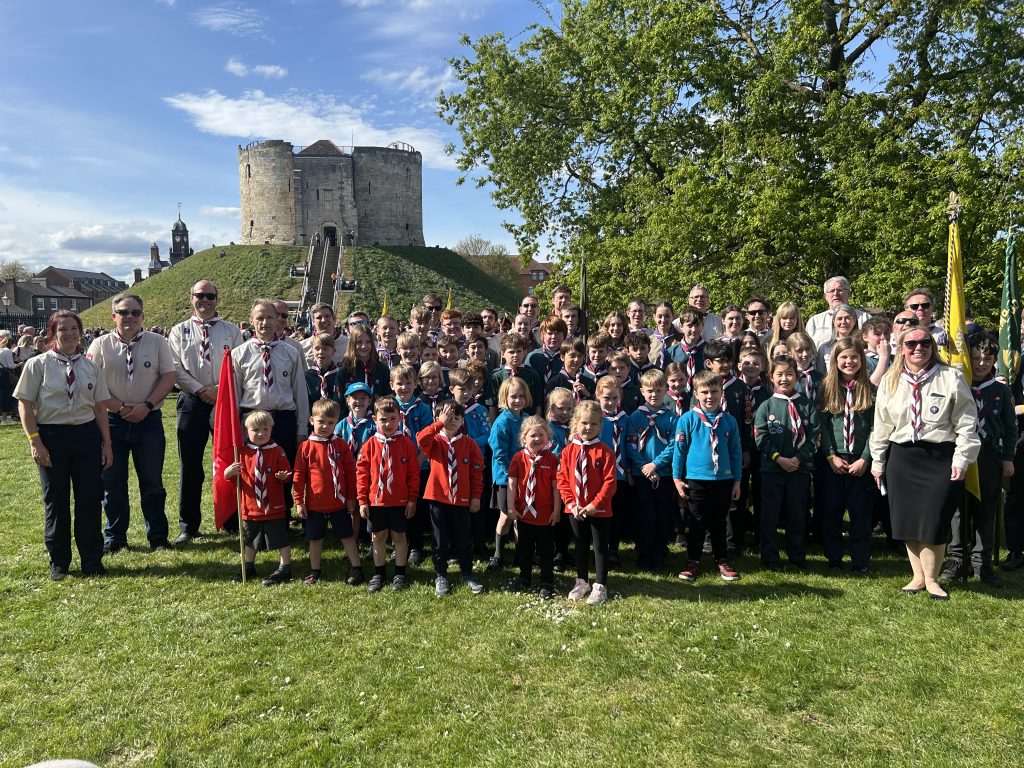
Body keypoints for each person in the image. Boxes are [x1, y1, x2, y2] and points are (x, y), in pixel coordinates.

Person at [869, 327, 979, 600]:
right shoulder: (890, 380)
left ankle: (932, 579)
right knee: (908, 519)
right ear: (901, 348)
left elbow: (967, 422)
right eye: (911, 344)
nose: (918, 348)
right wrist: (878, 461)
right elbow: (882, 425)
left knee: (933, 517)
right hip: (902, 458)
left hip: (940, 457)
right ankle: (917, 577)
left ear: (932, 346)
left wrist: (962, 458)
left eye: (925, 343)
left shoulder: (950, 377)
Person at [15, 310, 113, 580]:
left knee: (90, 500)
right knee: (56, 502)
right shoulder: (38, 364)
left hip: (86, 437)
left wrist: (106, 444)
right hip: (52, 438)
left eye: (74, 328)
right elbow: (24, 404)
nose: (69, 334)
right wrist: (35, 441)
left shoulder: (91, 367)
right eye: (63, 329)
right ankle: (59, 563)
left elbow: (101, 407)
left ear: (80, 332)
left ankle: (92, 561)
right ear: (53, 333)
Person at [87, 293, 176, 553]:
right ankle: (115, 538)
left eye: (135, 312)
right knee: (112, 483)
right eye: (124, 312)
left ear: (143, 316)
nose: (129, 317)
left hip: (148, 421)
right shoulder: (99, 345)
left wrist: (146, 406)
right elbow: (93, 382)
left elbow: (168, 377)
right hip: (111, 422)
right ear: (114, 316)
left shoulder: (158, 342)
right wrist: (121, 407)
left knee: (152, 482)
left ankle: (158, 537)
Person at [168, 280, 243, 544]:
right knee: (190, 465)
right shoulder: (178, 331)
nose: (205, 300)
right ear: (191, 298)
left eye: (210, 295)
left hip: (224, 400)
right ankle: (188, 524)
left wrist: (219, 389)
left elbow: (238, 365)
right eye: (200, 295)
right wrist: (201, 390)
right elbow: (175, 367)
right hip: (191, 400)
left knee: (228, 460)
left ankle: (232, 520)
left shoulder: (232, 331)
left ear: (217, 299)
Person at [941, 332, 1015, 585]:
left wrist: (1007, 458)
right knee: (958, 511)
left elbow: (1009, 426)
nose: (981, 363)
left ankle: (981, 562)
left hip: (988, 457)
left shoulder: (1000, 391)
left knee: (986, 510)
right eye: (975, 358)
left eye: (987, 358)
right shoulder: (957, 385)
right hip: (959, 456)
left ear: (994, 359)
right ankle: (956, 558)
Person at [233, 299, 310, 521]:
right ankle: (255, 518)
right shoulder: (240, 354)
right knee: (253, 470)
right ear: (251, 321)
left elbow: (300, 393)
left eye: (269, 317)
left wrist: (301, 428)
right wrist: (237, 429)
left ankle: (282, 518)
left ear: (278, 319)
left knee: (283, 472)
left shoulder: (291, 352)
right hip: (252, 420)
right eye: (259, 318)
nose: (265, 322)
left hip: (282, 419)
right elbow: (236, 395)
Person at [673, 370, 743, 581]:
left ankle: (721, 559)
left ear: (722, 392)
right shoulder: (687, 419)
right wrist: (677, 479)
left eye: (714, 391)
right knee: (697, 522)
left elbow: (736, 452)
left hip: (723, 480)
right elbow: (680, 450)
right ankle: (693, 560)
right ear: (696, 393)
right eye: (705, 392)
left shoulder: (729, 421)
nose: (710, 396)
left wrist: (737, 480)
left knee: (719, 522)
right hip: (697, 479)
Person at [754, 354, 820, 571]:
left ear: (797, 376)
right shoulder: (767, 406)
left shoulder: (807, 405)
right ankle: (770, 556)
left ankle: (797, 554)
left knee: (797, 514)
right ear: (771, 377)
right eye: (779, 374)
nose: (785, 378)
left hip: (799, 470)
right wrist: (779, 459)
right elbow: (761, 436)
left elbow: (814, 436)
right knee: (770, 515)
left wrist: (798, 459)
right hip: (773, 469)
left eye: (789, 374)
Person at [819, 338, 876, 574]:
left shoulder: (870, 389)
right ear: (835, 361)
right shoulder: (826, 387)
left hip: (860, 460)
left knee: (860, 513)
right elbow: (821, 426)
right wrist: (831, 456)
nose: (849, 361)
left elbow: (877, 428)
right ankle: (834, 558)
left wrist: (865, 457)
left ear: (862, 360)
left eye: (854, 357)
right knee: (831, 510)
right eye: (843, 357)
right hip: (834, 459)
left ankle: (860, 560)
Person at [418, 399, 486, 597]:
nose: (452, 421)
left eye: (456, 417)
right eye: (448, 417)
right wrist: (439, 423)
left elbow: (476, 472)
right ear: (438, 418)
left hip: (461, 500)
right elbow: (421, 439)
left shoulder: (469, 444)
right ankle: (441, 575)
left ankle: (467, 573)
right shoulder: (435, 442)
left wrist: (475, 497)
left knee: (464, 538)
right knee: (439, 540)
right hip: (438, 499)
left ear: (462, 420)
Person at [293, 399, 362, 586]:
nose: (325, 426)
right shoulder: (306, 447)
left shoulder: (341, 445)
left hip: (339, 503)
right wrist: (299, 501)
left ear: (336, 422)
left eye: (331, 423)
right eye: (321, 421)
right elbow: (299, 476)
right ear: (311, 420)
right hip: (315, 504)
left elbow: (350, 472)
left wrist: (351, 497)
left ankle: (356, 567)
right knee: (315, 539)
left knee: (347, 535)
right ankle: (314, 569)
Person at [356, 396, 419, 593]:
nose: (388, 424)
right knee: (378, 536)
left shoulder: (407, 444)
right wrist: (362, 501)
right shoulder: (369, 446)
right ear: (375, 419)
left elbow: (413, 474)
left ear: (400, 418)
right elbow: (362, 474)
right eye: (383, 419)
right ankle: (379, 572)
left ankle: (400, 572)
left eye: (392, 419)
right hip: (376, 501)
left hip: (400, 501)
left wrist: (411, 499)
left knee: (399, 536)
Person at [557, 400, 617, 605]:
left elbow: (610, 483)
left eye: (593, 424)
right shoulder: (567, 452)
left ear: (600, 426)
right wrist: (573, 505)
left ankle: (600, 585)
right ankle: (581, 581)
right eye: (584, 423)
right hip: (576, 510)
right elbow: (562, 480)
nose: (588, 428)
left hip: (599, 510)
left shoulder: (606, 452)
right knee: (580, 545)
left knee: (600, 547)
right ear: (575, 423)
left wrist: (594, 505)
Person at [224, 410, 293, 585]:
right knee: (250, 539)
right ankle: (248, 566)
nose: (261, 433)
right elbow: (231, 476)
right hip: (250, 506)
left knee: (280, 538)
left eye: (265, 429)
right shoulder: (241, 452)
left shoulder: (277, 451)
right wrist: (228, 472)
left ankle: (285, 567)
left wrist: (283, 476)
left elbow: (286, 472)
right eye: (255, 430)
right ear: (247, 430)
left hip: (273, 506)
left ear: (271, 429)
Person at [626, 369, 677, 571]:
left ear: (666, 390)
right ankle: (644, 552)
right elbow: (630, 445)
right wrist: (644, 467)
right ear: (642, 391)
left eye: (658, 390)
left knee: (663, 515)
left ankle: (659, 552)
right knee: (644, 515)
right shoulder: (635, 417)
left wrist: (655, 464)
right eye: (649, 390)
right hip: (642, 476)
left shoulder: (672, 418)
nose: (654, 394)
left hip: (663, 475)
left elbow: (674, 446)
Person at [508, 416, 561, 597]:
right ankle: (525, 577)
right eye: (533, 435)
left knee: (546, 552)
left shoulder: (552, 460)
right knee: (524, 548)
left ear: (548, 437)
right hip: (524, 514)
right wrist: (510, 508)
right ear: (524, 438)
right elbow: (512, 485)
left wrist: (556, 511)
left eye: (541, 435)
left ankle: (546, 582)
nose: (537, 439)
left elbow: (556, 488)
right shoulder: (517, 458)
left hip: (546, 516)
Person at [487, 377, 529, 570]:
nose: (518, 400)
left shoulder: (526, 419)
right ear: (505, 397)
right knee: (506, 514)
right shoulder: (502, 422)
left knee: (520, 516)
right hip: (506, 478)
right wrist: (510, 475)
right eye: (513, 396)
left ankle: (521, 555)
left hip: (525, 477)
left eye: (521, 396)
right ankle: (498, 555)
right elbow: (499, 453)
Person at [804, 276, 871, 348]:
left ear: (848, 293)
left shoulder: (865, 318)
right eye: (832, 291)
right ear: (825, 296)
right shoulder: (814, 321)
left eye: (839, 290)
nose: (836, 294)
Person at [0, 334, 16, 423]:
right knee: (6, 395)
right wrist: (22, 363)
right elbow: (11, 365)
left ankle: (3, 417)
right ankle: (5, 418)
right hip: (5, 375)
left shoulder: (1, 350)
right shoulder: (8, 351)